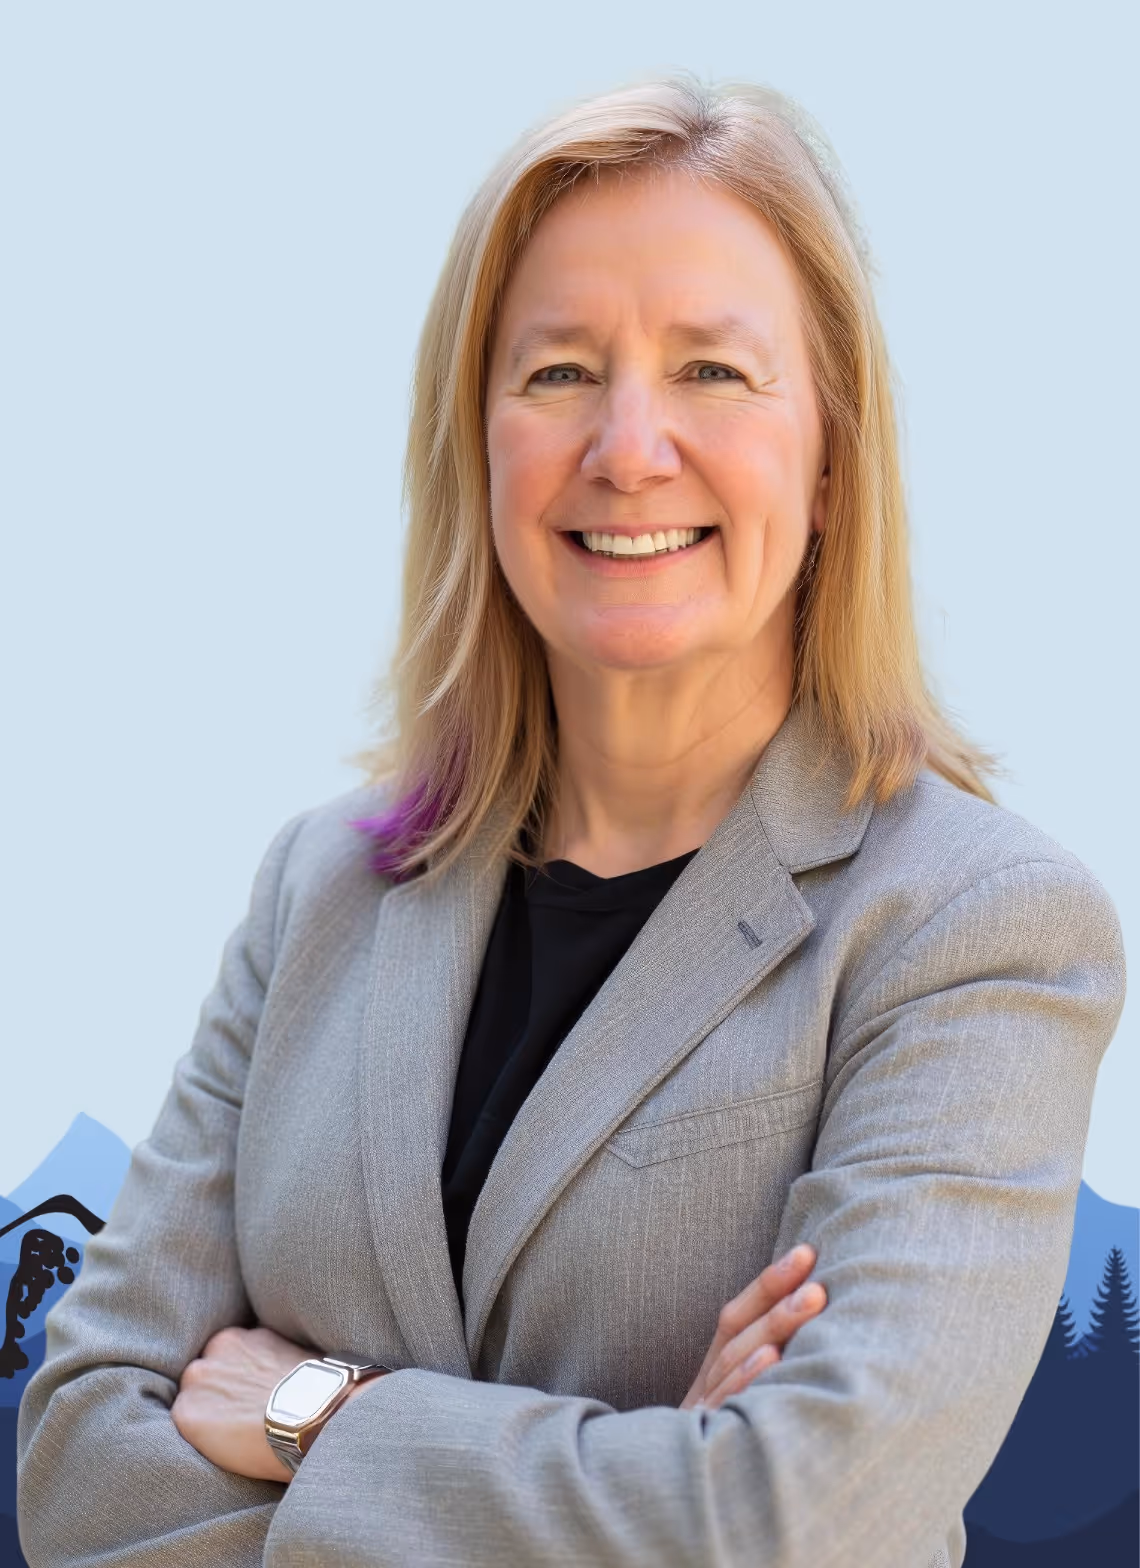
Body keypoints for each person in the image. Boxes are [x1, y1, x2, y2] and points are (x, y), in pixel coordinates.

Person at [17, 75, 1125, 1568]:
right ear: (475, 444)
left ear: (831, 450)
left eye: (714, 373)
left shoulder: (977, 927)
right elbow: (79, 1459)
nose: (628, 446)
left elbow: (799, 1516)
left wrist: (321, 1414)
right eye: (558, 373)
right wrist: (654, 1470)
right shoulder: (318, 897)